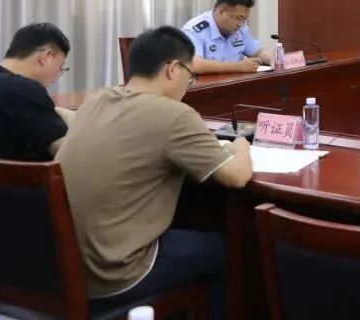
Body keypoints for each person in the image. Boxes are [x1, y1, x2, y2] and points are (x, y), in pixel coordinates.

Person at [57, 26, 253, 318]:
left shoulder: (98, 99)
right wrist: (241, 146)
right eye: (190, 75)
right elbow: (237, 176)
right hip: (118, 272)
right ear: (173, 69)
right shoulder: (174, 114)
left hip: (66, 267)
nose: (189, 84)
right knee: (230, 248)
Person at [0, 23, 75, 160]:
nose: (55, 80)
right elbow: (68, 153)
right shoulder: (24, 89)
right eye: (60, 67)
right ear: (46, 56)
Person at [181, 0, 273, 74]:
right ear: (221, 12)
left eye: (244, 19)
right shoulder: (194, 30)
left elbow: (258, 52)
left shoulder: (240, 29)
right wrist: (238, 67)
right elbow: (195, 64)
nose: (241, 24)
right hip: (204, 84)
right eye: (239, 18)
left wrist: (272, 59)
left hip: (234, 83)